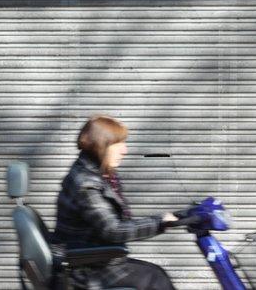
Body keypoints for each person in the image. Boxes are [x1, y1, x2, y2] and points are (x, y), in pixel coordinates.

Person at [53, 115, 178, 290]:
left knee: (156, 273)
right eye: (118, 144)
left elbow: (119, 222)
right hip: (83, 270)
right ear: (100, 146)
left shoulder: (99, 173)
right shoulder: (86, 183)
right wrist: (160, 222)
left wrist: (168, 220)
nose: (124, 150)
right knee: (156, 279)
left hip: (95, 260)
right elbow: (113, 229)